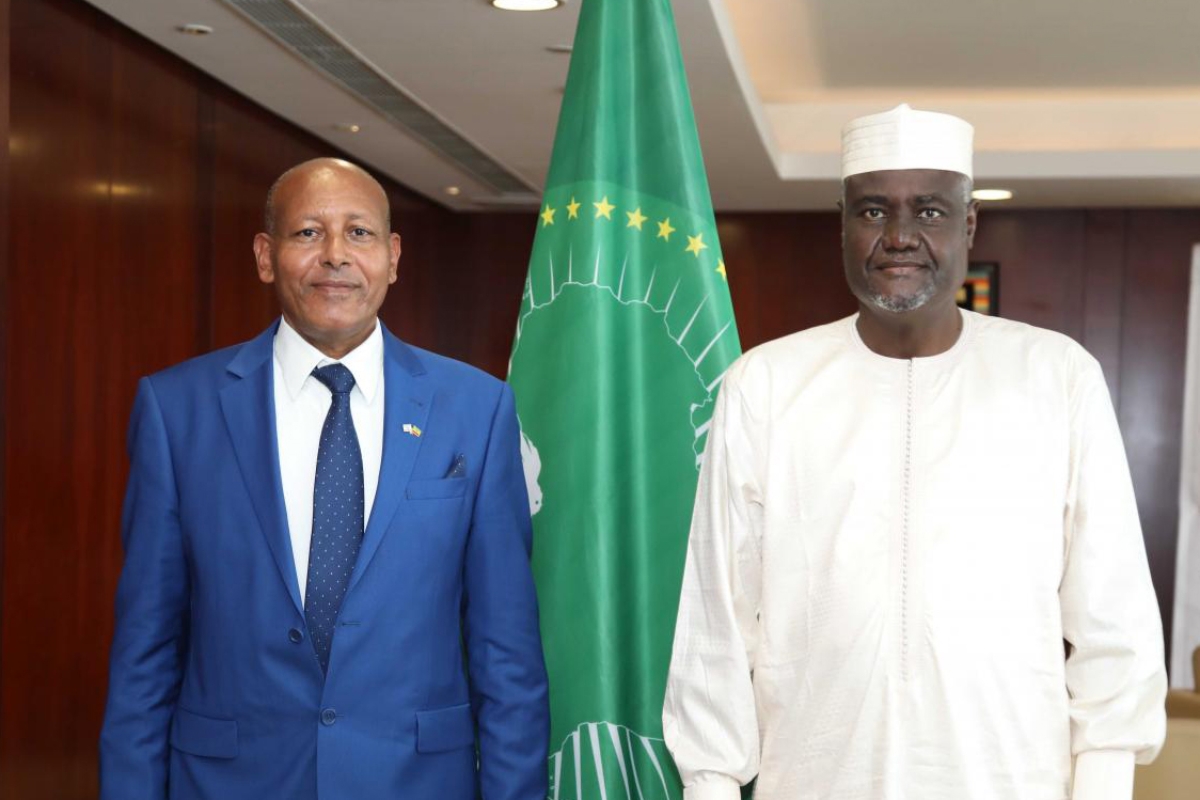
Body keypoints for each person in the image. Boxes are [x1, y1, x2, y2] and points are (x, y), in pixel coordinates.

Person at [662, 105, 1167, 800]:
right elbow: (718, 613)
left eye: (928, 211)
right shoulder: (767, 384)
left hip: (1011, 779)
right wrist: (711, 783)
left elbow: (1114, 618)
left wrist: (1103, 784)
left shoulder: (1057, 377)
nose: (899, 236)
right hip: (814, 780)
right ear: (842, 225)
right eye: (873, 210)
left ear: (967, 225)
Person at [99, 158, 549, 800]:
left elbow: (507, 655)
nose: (335, 255)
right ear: (265, 255)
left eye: (359, 233)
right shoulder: (177, 410)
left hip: (416, 781)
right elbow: (146, 650)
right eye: (308, 233)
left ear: (393, 257)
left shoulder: (475, 410)